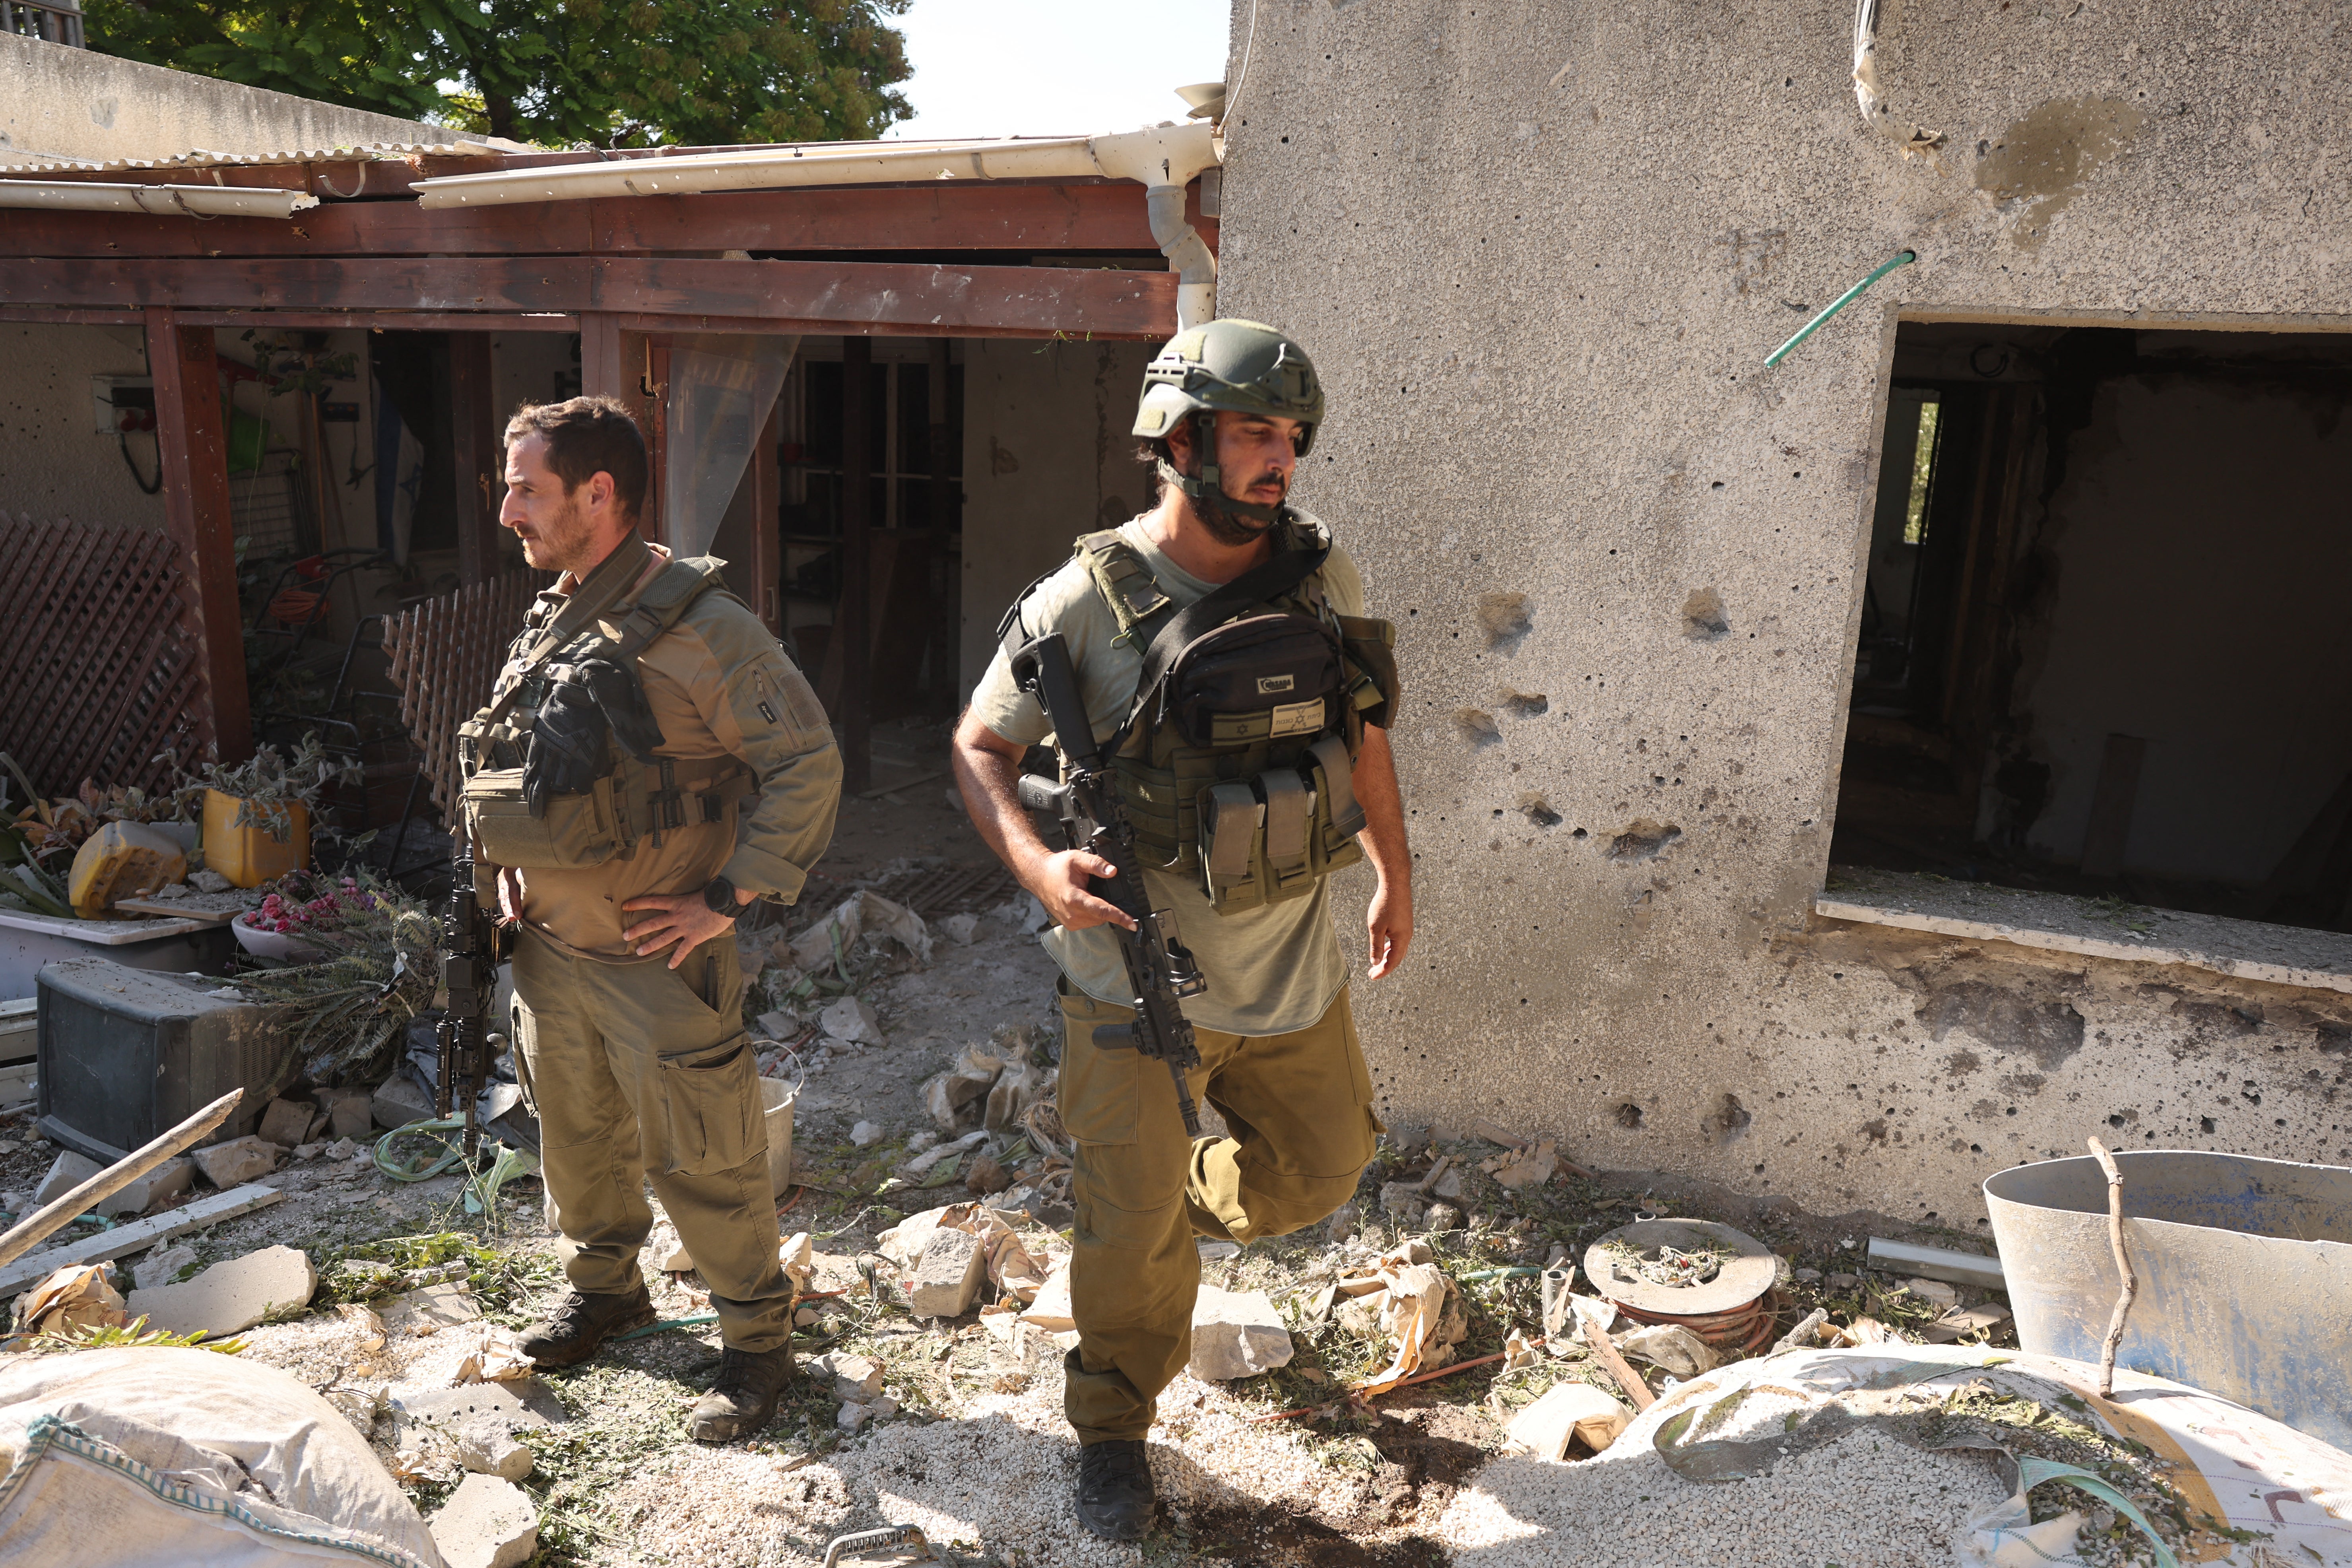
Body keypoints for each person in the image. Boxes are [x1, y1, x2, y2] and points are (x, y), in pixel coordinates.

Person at [950, 320, 1412, 1540]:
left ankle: (1153, 1209)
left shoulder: (1319, 575)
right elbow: (979, 745)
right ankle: (1111, 1429)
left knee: (1320, 1172)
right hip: (1130, 979)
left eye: (1291, 438)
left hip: (1294, 965)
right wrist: (1039, 865)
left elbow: (1361, 733)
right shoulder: (1082, 602)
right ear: (1180, 440)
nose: (1281, 461)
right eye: (1256, 434)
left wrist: (1393, 874)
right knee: (1127, 1239)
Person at [456, 396, 840, 1442]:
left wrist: (729, 899)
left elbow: (807, 762)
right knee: (577, 1141)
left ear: (599, 494)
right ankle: (607, 1290)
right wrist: (503, 876)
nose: (508, 512)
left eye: (526, 488)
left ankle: (757, 1344)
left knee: (704, 1158)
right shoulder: (563, 609)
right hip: (547, 949)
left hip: (653, 955)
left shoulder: (704, 631)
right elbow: (531, 767)